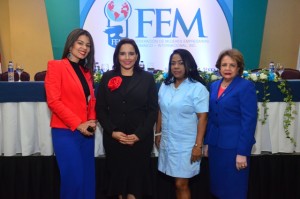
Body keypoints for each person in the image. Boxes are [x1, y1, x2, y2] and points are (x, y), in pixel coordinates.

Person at [95, 38, 158, 199]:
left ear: (137, 56)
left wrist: (139, 135)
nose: (127, 57)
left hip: (140, 140)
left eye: (131, 53)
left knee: (135, 188)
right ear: (117, 56)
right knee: (117, 186)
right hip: (115, 140)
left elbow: (152, 111)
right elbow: (100, 109)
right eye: (123, 53)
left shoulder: (147, 78)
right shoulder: (107, 77)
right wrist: (112, 131)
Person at [45, 28, 97, 199]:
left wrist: (91, 120)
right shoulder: (56, 66)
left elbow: (91, 100)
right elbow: (54, 101)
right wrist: (78, 123)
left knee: (87, 180)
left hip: (86, 134)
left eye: (88, 45)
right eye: (80, 43)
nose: (84, 48)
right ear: (70, 45)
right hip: (65, 132)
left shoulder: (86, 72)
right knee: (73, 180)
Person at [155, 49, 209, 199]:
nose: (176, 67)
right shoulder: (165, 86)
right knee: (175, 182)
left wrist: (198, 146)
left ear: (188, 65)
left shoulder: (198, 88)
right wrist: (158, 132)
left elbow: (203, 118)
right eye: (173, 63)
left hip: (187, 144)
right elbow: (161, 110)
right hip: (168, 141)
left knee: (181, 184)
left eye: (180, 63)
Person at [204, 49, 258, 199]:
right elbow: (212, 117)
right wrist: (207, 142)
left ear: (239, 68)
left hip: (234, 148)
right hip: (215, 146)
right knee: (218, 188)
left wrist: (242, 152)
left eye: (232, 65)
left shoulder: (245, 86)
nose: (227, 68)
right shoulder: (214, 85)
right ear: (219, 67)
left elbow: (249, 121)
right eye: (224, 65)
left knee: (234, 190)